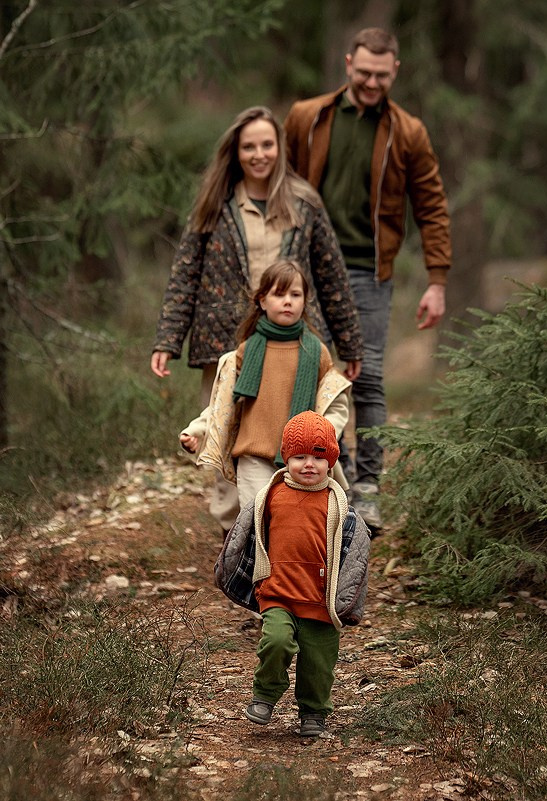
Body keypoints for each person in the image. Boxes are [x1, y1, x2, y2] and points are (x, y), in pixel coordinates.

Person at [152, 106, 363, 531]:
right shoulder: (215, 204)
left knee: (304, 431)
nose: (259, 154)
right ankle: (236, 531)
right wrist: (168, 339)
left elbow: (330, 274)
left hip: (296, 342)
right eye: (249, 146)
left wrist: (349, 341)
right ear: (236, 151)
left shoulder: (304, 203)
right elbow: (186, 272)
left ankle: (308, 525)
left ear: (279, 148)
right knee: (228, 428)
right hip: (227, 339)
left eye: (267, 144)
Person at [285, 28, 452, 530]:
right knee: (311, 375)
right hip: (308, 271)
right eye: (364, 73)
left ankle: (368, 488)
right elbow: (279, 186)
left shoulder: (408, 132)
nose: (372, 82)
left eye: (382, 75)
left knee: (369, 377)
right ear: (347, 64)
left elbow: (431, 206)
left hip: (368, 272)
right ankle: (317, 482)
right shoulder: (308, 117)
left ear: (395, 70)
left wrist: (437, 280)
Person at [214, 410, 371, 738]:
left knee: (318, 662)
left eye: (318, 457)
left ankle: (313, 711)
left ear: (331, 461)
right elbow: (245, 534)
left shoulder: (339, 506)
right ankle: (265, 694)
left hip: (320, 599)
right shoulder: (269, 497)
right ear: (286, 458)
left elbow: (355, 557)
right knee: (276, 641)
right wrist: (238, 572)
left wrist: (346, 601)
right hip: (278, 592)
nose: (308, 464)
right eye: (299, 457)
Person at [180, 261, 352, 513]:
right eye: (279, 294)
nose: (288, 301)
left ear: (305, 302)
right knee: (259, 518)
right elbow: (222, 405)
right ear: (262, 301)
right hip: (253, 456)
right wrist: (198, 430)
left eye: (295, 295)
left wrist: (322, 436)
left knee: (294, 519)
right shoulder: (246, 351)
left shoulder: (317, 352)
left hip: (302, 459)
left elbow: (335, 404)